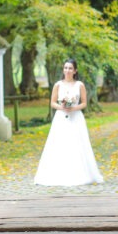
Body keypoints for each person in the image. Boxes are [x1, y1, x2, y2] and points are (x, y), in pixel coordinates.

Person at [34, 58, 103, 186]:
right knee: (60, 144)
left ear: (75, 71)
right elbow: (53, 103)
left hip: (76, 117)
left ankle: (79, 173)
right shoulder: (58, 85)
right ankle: (57, 173)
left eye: (70, 68)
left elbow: (84, 103)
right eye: (66, 68)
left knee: (77, 143)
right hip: (61, 117)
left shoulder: (80, 85)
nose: (67, 70)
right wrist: (63, 108)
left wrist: (73, 108)